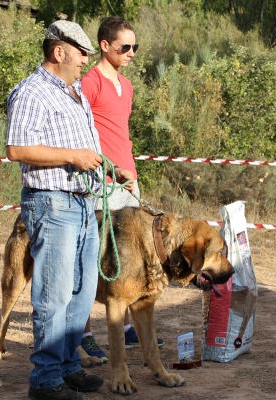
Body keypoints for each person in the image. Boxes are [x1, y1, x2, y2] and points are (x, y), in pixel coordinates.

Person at [5, 20, 134, 400]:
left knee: (81, 293)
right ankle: (45, 381)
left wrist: (111, 168)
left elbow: (86, 149)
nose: (84, 62)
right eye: (80, 54)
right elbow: (17, 149)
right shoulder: (31, 92)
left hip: (82, 202)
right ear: (59, 51)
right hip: (53, 202)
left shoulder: (74, 90)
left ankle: (67, 367)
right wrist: (72, 157)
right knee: (54, 295)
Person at [78, 16, 163, 363]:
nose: (131, 53)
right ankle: (82, 333)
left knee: (131, 261)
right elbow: (80, 134)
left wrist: (132, 175)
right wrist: (107, 169)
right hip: (101, 182)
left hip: (128, 182)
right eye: (124, 47)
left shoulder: (125, 86)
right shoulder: (90, 82)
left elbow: (121, 134)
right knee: (95, 261)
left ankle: (126, 328)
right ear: (104, 46)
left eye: (134, 47)